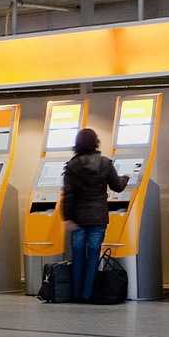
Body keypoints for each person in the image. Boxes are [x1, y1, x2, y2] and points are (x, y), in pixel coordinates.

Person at [62, 128, 129, 302]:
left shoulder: (72, 165)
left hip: (77, 218)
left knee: (77, 257)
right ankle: (88, 294)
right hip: (98, 218)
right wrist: (126, 178)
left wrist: (67, 217)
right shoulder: (105, 163)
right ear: (96, 142)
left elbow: (68, 194)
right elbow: (117, 186)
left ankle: (76, 294)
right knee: (93, 256)